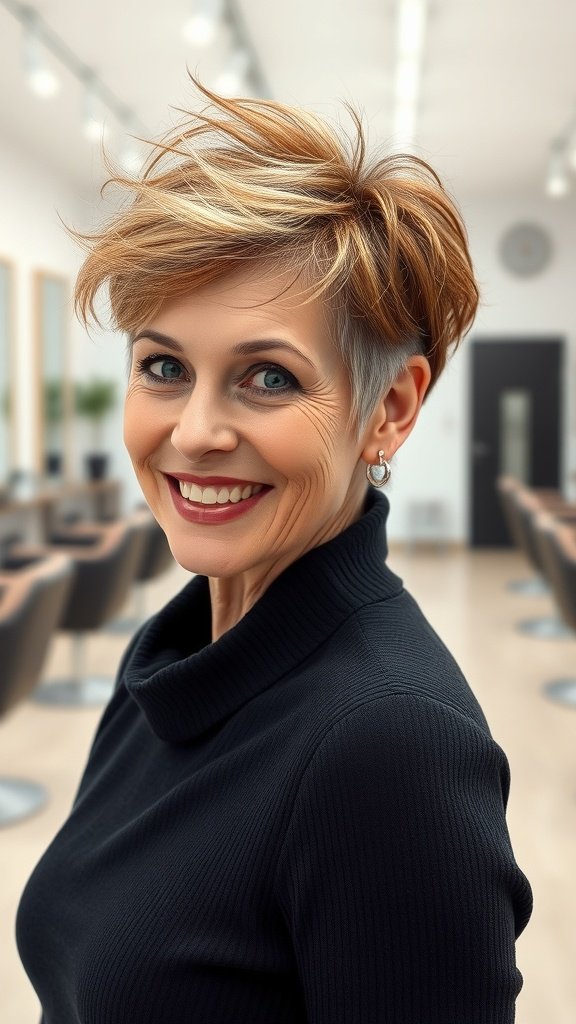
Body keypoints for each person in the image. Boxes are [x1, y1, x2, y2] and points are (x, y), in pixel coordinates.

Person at [17, 84, 532, 1023]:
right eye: (163, 366)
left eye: (268, 378)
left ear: (391, 408)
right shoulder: (180, 659)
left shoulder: (388, 748)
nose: (197, 433)